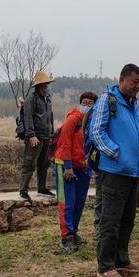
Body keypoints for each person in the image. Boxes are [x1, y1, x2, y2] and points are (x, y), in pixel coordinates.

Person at [89, 64, 139, 277]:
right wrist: (115, 152)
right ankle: (105, 266)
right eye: (134, 82)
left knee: (127, 219)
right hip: (113, 171)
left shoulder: (134, 105)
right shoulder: (108, 99)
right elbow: (96, 131)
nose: (138, 86)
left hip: (132, 172)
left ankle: (122, 260)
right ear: (122, 79)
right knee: (111, 220)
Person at [54, 91, 97, 253]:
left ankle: (74, 232)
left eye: (90, 103)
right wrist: (68, 166)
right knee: (67, 202)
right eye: (84, 102)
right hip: (67, 165)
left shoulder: (92, 122)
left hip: (82, 166)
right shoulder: (73, 119)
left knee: (79, 201)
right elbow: (64, 142)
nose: (87, 105)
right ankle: (66, 237)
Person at [19, 71, 56, 202]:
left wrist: (52, 134)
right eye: (45, 85)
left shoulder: (48, 98)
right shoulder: (31, 99)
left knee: (44, 163)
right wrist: (31, 135)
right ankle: (23, 190)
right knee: (29, 163)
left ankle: (42, 188)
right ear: (39, 86)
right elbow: (28, 117)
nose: (47, 87)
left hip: (46, 136)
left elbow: (50, 117)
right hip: (35, 136)